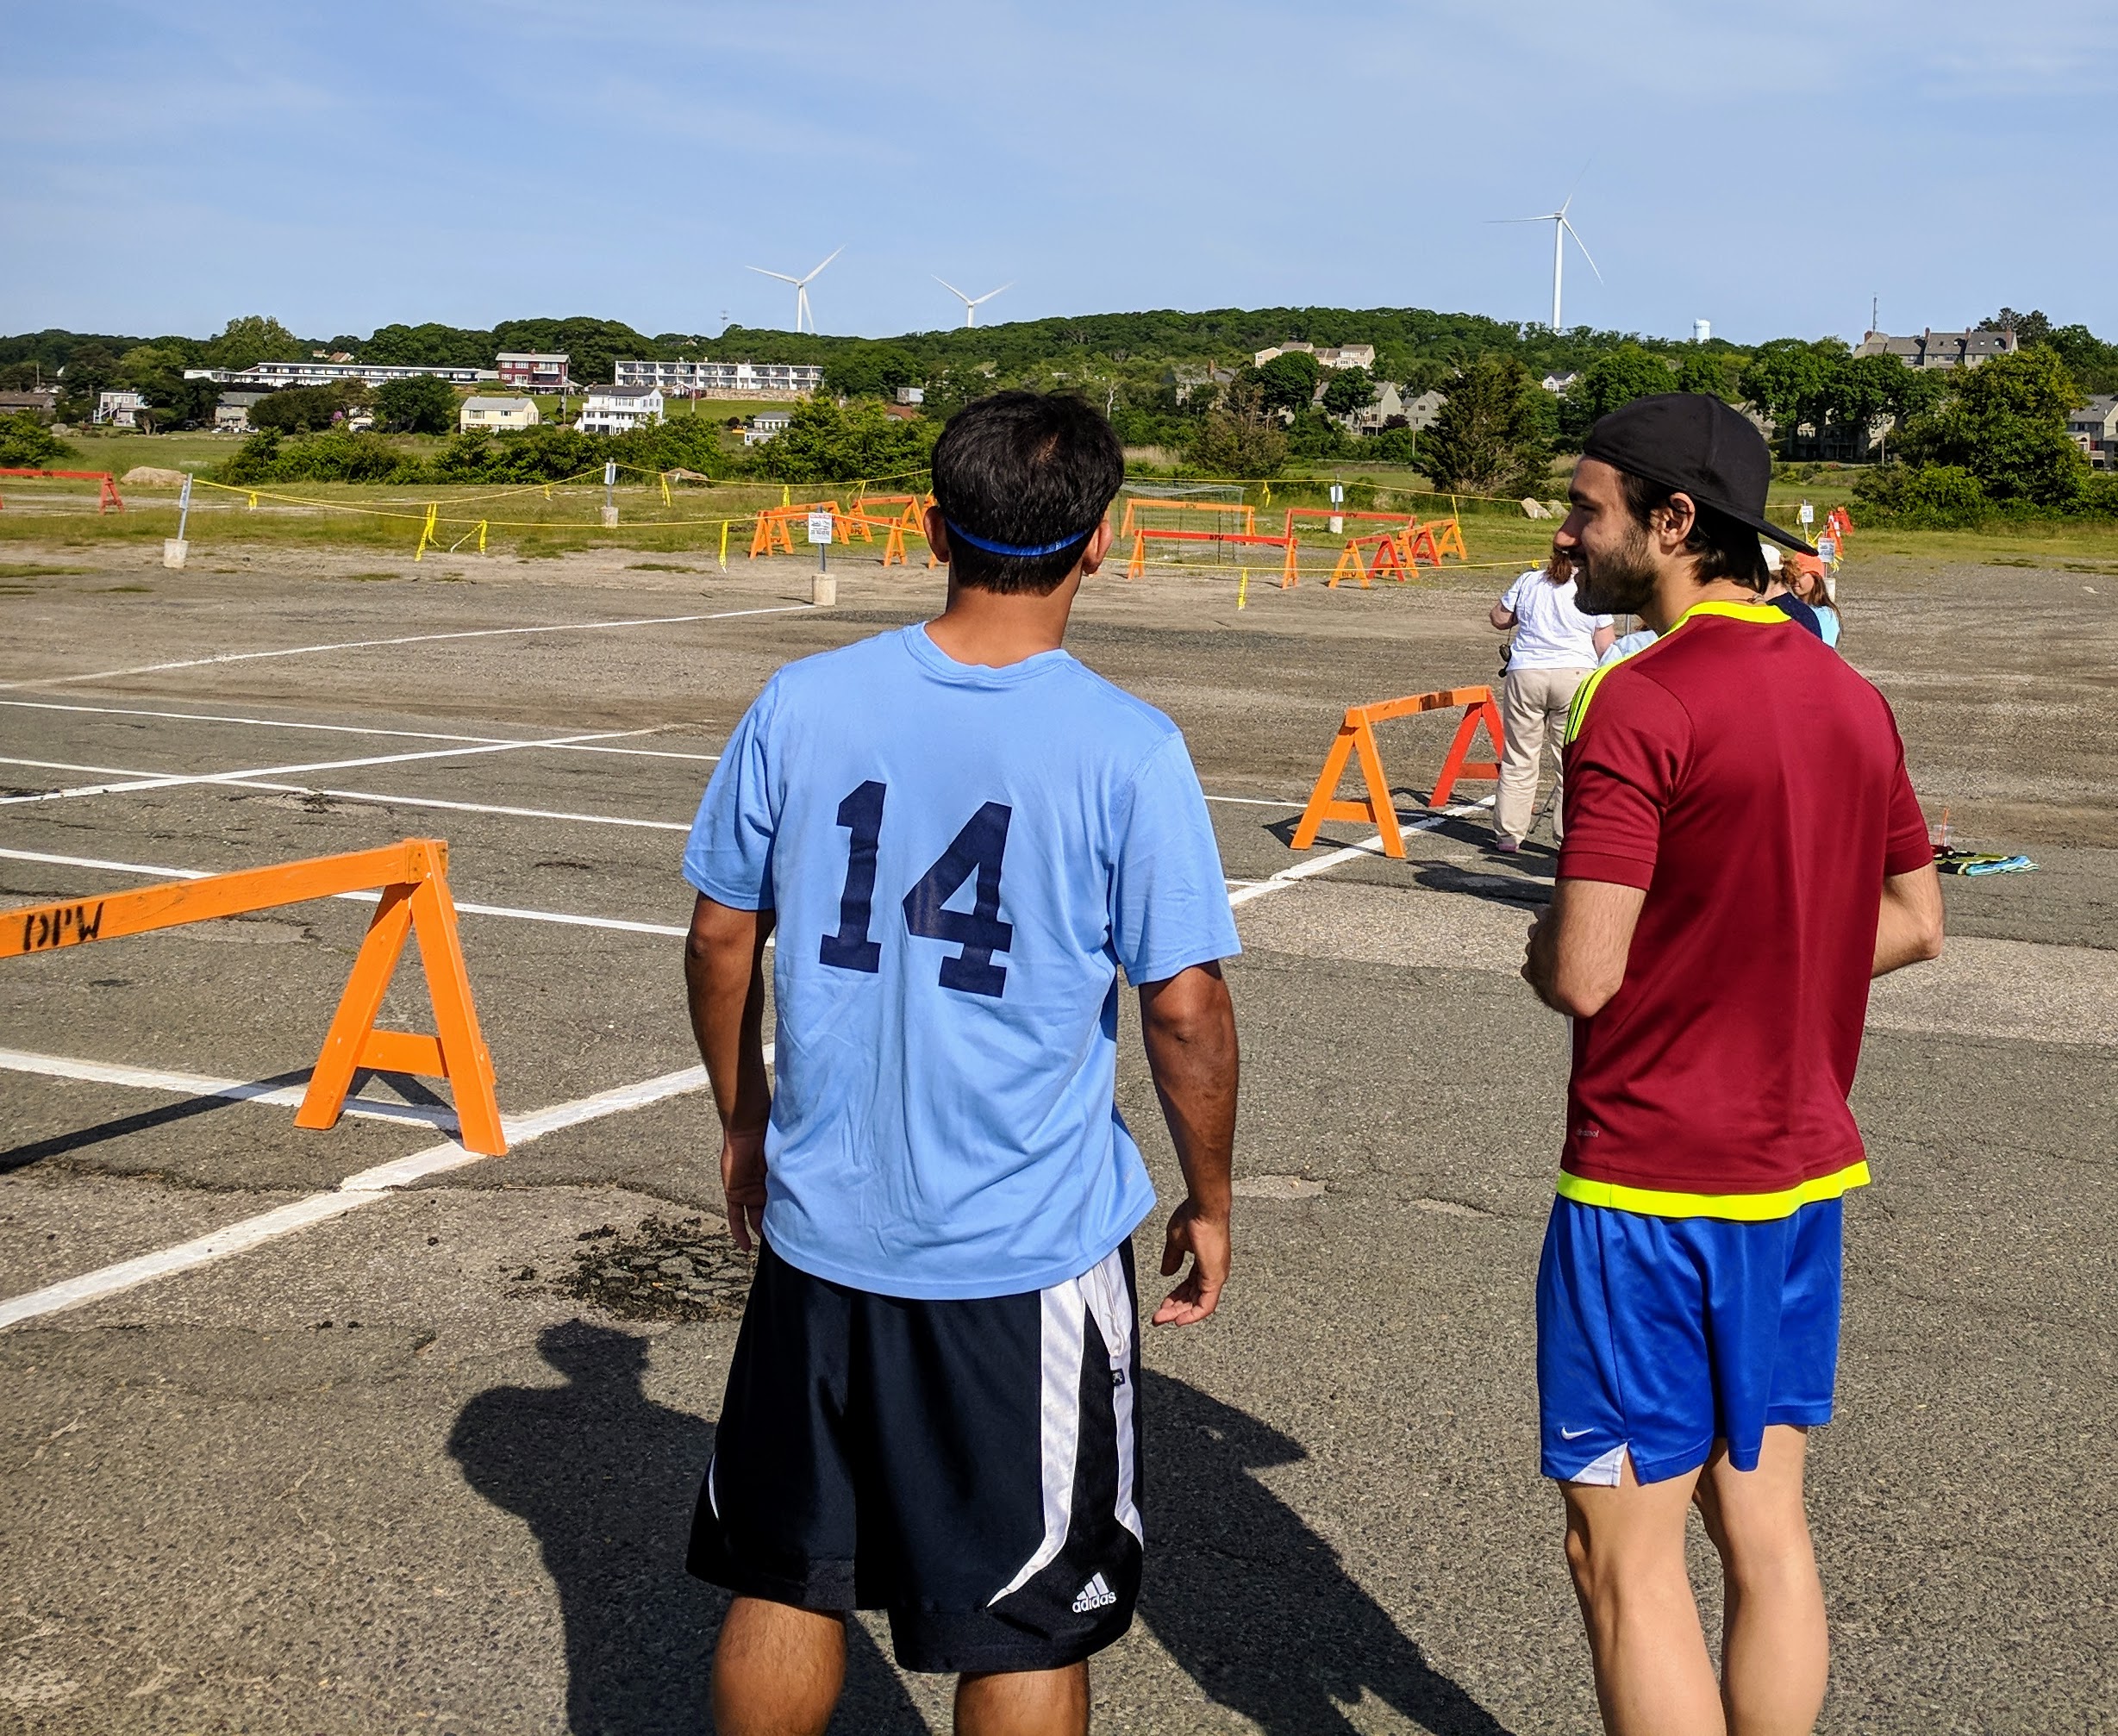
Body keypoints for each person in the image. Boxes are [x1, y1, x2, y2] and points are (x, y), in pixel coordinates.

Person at [679, 390, 1242, 1736]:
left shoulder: (803, 701)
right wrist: (1211, 1195)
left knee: (787, 1572)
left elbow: (717, 935)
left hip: (824, 1229)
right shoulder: (1126, 746)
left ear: (929, 527)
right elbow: (1182, 1010)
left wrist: (746, 1121)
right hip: (1023, 1254)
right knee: (1030, 1611)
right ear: (1099, 541)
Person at [1521, 393, 1944, 1736]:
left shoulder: (1636, 698)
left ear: (1673, 521)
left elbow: (1587, 968)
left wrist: (1544, 942)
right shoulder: (1848, 696)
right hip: (1798, 1174)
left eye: (1587, 508)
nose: (1568, 532)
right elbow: (1914, 921)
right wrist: (1773, 975)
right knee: (1764, 1533)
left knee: (1623, 1563)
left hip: (1648, 1188)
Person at [1486, 546, 1615, 852]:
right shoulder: (1591, 588)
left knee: (1519, 756)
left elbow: (1499, 618)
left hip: (1527, 672)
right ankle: (1565, 836)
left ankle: (1509, 834)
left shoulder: (1529, 581)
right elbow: (1605, 644)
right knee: (1568, 761)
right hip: (1575, 674)